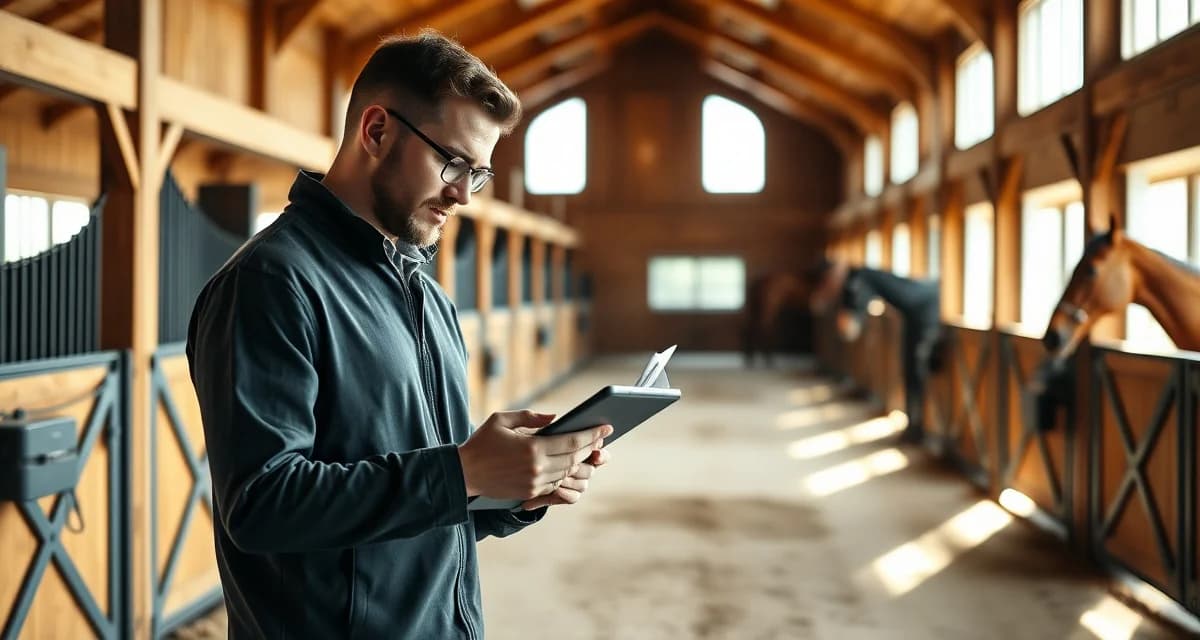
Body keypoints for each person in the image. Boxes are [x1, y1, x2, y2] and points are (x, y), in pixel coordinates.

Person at [186, 30, 612, 639]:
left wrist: (514, 488)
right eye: (453, 163)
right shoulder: (270, 283)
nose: (463, 195)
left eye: (477, 175)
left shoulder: (430, 300)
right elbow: (261, 504)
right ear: (377, 131)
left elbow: (427, 504)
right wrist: (462, 472)